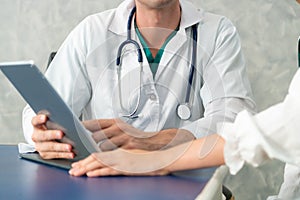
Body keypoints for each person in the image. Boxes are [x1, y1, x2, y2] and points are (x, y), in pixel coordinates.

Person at [22, 0, 255, 170]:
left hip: (185, 180)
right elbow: (38, 112)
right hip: (104, 180)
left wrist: (154, 141)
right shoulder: (92, 31)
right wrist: (42, 134)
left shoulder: (217, 32)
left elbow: (235, 120)